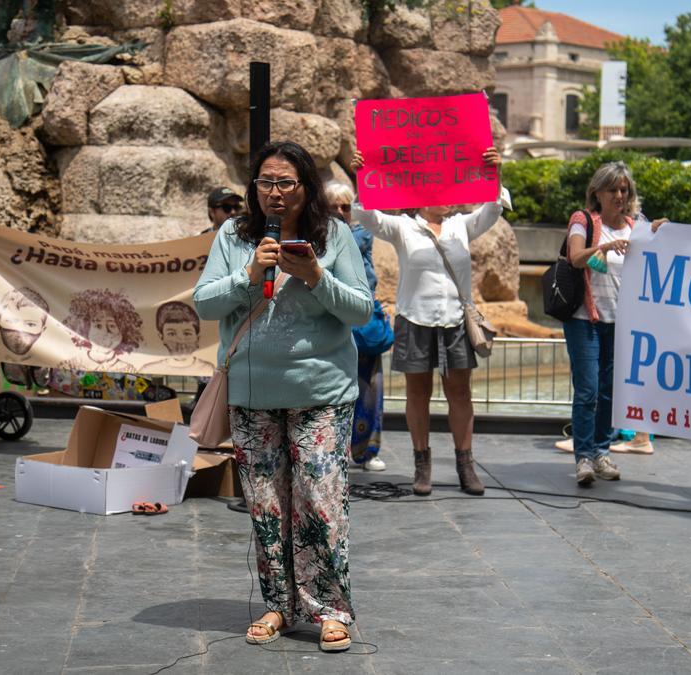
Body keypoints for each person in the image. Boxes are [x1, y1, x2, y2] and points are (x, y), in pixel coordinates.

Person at [194, 141, 371, 650]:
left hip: (321, 391)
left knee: (319, 499)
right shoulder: (233, 235)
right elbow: (205, 304)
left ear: (305, 188)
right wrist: (248, 275)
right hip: (252, 394)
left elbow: (360, 311)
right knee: (266, 507)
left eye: (285, 183)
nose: (274, 193)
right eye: (265, 183)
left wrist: (317, 277)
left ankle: (329, 608)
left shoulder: (333, 235)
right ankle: (278, 604)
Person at [350, 148, 504, 497]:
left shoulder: (461, 225)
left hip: (454, 320)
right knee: (418, 393)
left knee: (460, 393)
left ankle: (466, 464)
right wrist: (363, 177)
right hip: (415, 318)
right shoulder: (404, 226)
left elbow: (492, 210)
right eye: (444, 190)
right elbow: (367, 216)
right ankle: (422, 464)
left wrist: (496, 171)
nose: (451, 197)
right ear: (424, 194)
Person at [563, 161, 650, 486]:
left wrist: (662, 231)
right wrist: (604, 246)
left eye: (624, 189)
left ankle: (601, 451)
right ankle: (584, 456)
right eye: (612, 189)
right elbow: (575, 257)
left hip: (620, 323)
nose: (619, 195)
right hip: (585, 319)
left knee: (611, 391)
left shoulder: (636, 225)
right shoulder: (583, 220)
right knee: (588, 390)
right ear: (596, 192)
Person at [325, 180, 386, 472]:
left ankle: (366, 450)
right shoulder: (319, 235)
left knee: (369, 386)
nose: (339, 211)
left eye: (345, 206)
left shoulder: (360, 234)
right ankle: (336, 447)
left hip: (360, 320)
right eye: (333, 206)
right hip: (332, 319)